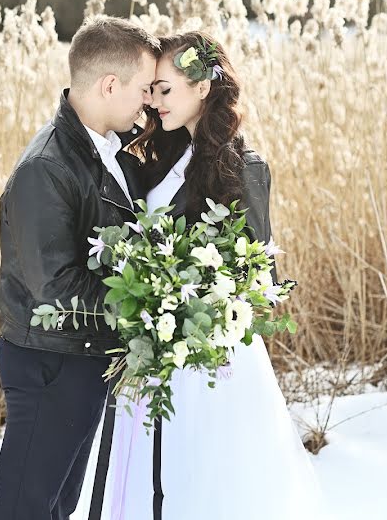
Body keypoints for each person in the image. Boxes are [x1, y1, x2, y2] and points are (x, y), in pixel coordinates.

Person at [72, 32, 328, 520]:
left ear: (203, 89)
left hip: (212, 357)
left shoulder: (240, 166)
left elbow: (261, 277)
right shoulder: (158, 157)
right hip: (155, 346)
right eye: (150, 90)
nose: (153, 100)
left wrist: (194, 300)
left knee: (207, 479)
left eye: (165, 89)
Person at [0, 15, 159, 520]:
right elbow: (56, 286)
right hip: (50, 360)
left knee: (56, 505)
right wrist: (146, 301)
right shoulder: (47, 166)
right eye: (144, 88)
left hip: (82, 355)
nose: (148, 100)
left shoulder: (107, 148)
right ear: (111, 85)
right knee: (27, 507)